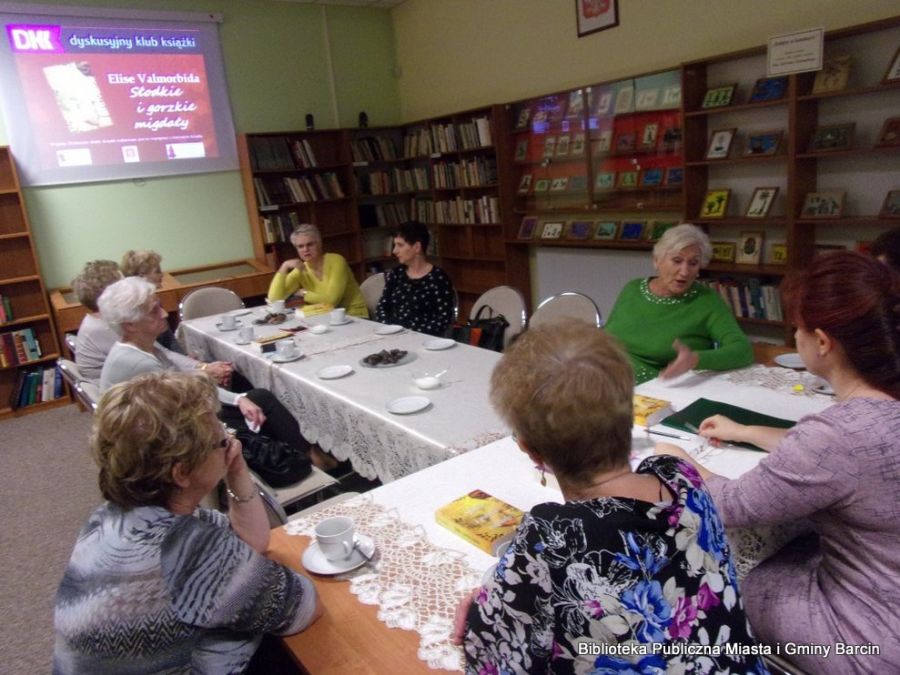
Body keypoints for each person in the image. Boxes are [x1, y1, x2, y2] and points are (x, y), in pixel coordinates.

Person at [454, 323, 766, 674]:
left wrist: (483, 611)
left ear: (529, 449)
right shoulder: (681, 475)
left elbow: (498, 653)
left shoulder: (553, 535)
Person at [656, 251, 900, 674]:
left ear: (822, 342)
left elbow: (730, 505)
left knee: (720, 578)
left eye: (798, 330)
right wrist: (748, 432)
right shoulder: (878, 409)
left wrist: (678, 460)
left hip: (871, 638)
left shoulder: (835, 435)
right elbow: (846, 459)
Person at [53, 372, 321, 673]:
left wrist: (236, 470)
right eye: (221, 440)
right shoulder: (190, 552)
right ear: (181, 473)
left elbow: (252, 542)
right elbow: (302, 606)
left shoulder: (110, 516)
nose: (230, 442)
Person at [97, 276, 334, 471]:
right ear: (129, 324)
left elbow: (185, 374)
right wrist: (236, 401)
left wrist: (238, 398)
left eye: (159, 305)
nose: (163, 313)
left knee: (250, 393)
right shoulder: (139, 363)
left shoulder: (142, 343)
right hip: (163, 444)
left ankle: (303, 453)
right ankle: (308, 458)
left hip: (170, 423)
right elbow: (189, 405)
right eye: (153, 310)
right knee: (262, 399)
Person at [605, 223, 753, 383]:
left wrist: (695, 360)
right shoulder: (633, 288)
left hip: (655, 388)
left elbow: (743, 351)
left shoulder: (706, 301)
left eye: (693, 263)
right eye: (677, 261)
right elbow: (607, 336)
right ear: (657, 261)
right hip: (608, 374)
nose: (684, 272)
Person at [71, 260, 232, 385]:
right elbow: (166, 367)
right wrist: (205, 370)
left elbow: (163, 354)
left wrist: (202, 367)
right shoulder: (105, 328)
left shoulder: (102, 322)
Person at [267, 223, 368, 317]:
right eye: (300, 246)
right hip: (326, 316)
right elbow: (274, 299)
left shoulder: (336, 261)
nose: (305, 249)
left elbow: (332, 301)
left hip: (354, 315)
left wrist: (304, 293)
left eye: (310, 244)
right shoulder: (301, 269)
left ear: (320, 244)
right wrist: (284, 267)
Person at [375, 221, 455, 335]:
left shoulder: (438, 278)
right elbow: (382, 307)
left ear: (417, 247)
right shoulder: (396, 274)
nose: (394, 251)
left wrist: (412, 334)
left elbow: (443, 319)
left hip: (424, 339)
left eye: (400, 245)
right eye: (395, 245)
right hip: (394, 335)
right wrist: (390, 329)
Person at [121, 248, 185, 353]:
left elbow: (168, 339)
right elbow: (156, 349)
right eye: (157, 271)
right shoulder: (134, 306)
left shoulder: (153, 299)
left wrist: (186, 358)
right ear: (142, 276)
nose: (162, 274)